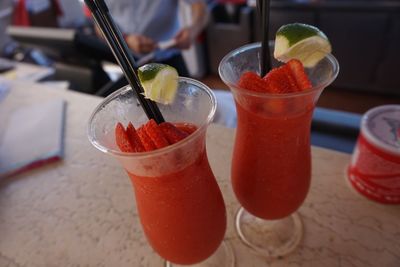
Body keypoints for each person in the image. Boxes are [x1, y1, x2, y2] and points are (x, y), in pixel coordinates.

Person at [103, 0, 209, 77]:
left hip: (168, 55)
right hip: (128, 60)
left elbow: (199, 4)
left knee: (186, 103)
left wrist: (192, 31)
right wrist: (126, 39)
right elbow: (99, 25)